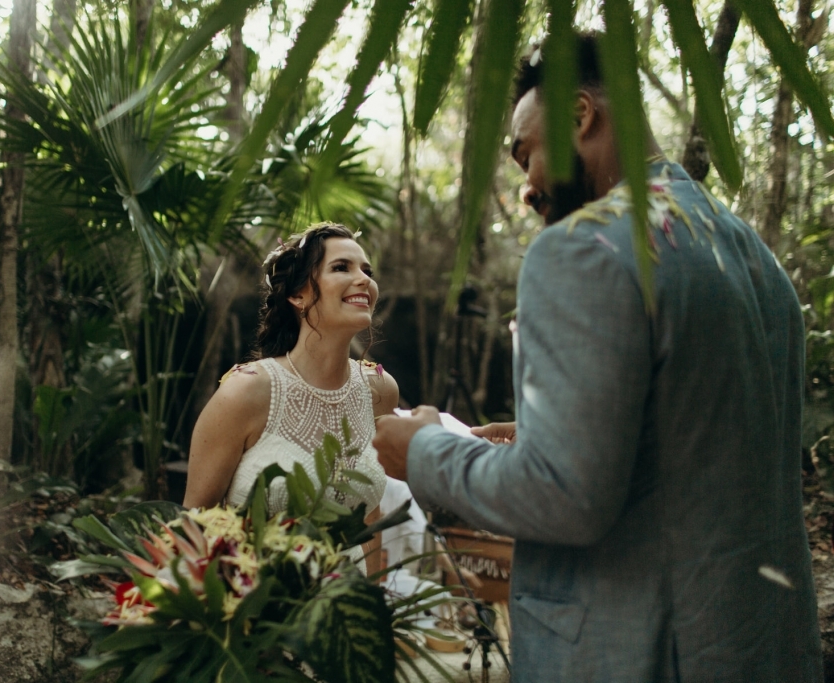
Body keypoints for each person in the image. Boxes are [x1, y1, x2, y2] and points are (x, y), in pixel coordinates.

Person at [374, 33, 822, 681]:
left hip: (640, 650)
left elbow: (566, 499)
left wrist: (422, 451)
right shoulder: (750, 254)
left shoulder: (582, 249)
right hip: (760, 646)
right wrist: (540, 439)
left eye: (524, 153)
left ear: (581, 115)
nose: (526, 187)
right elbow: (700, 449)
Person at [185, 222, 399, 575]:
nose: (364, 279)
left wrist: (372, 610)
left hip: (342, 608)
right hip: (254, 610)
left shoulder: (380, 390)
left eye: (367, 270)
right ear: (297, 295)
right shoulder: (246, 391)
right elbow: (194, 521)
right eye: (341, 267)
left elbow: (369, 516)